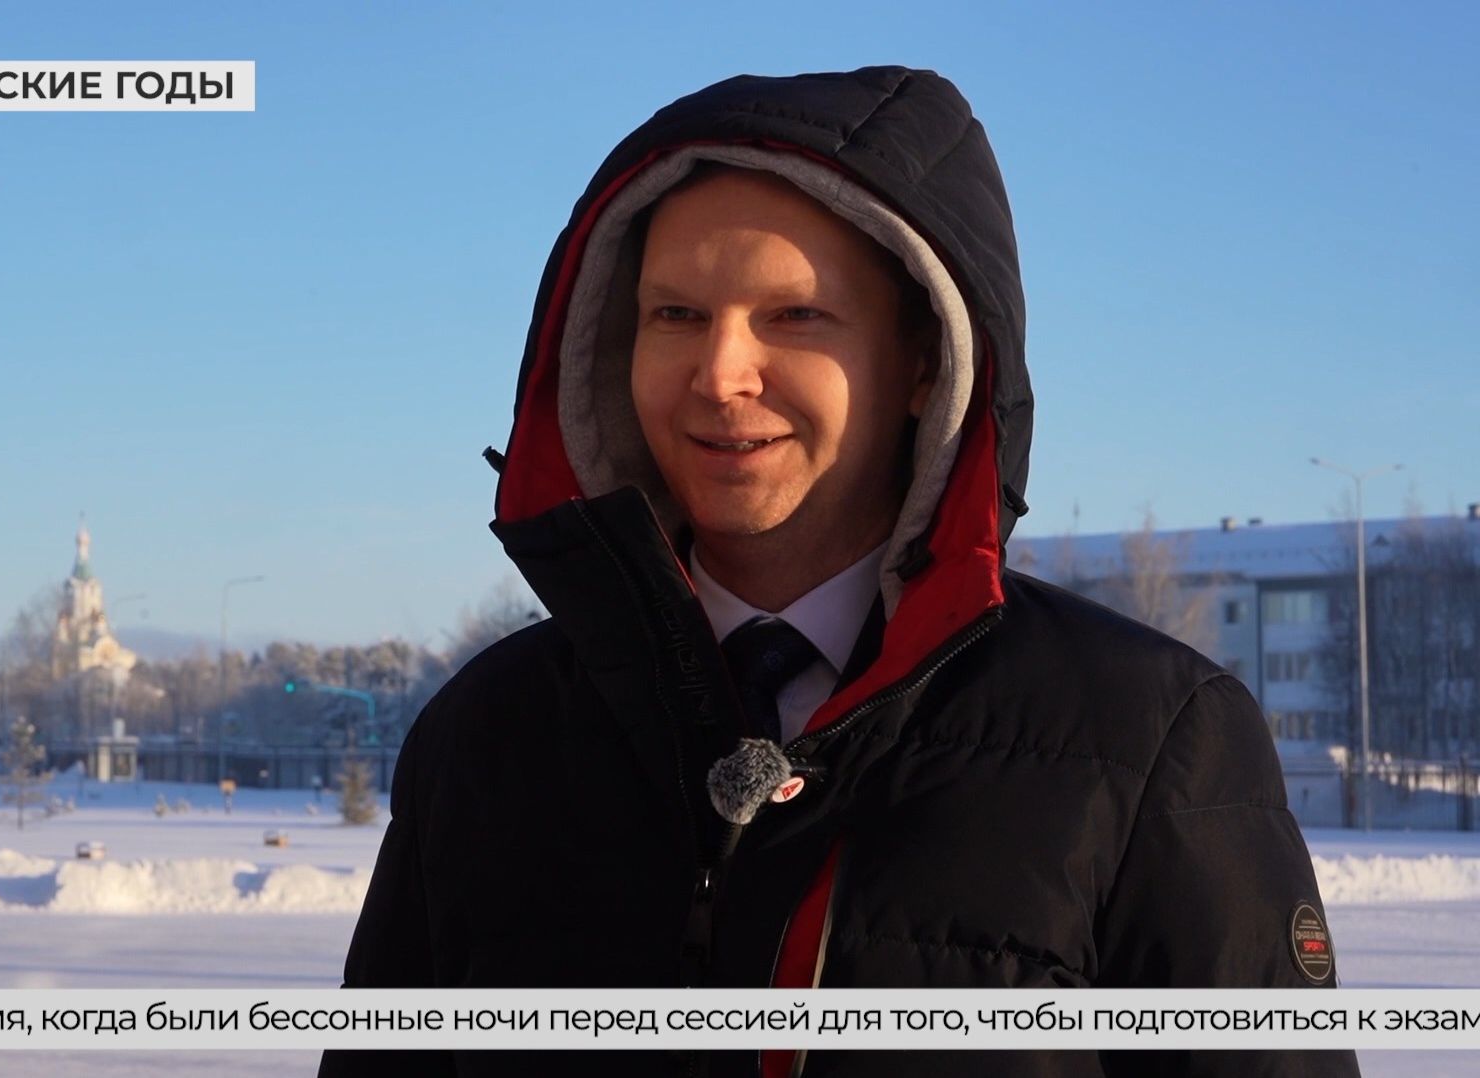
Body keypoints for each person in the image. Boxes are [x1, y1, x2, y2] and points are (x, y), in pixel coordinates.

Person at [321, 66, 1357, 1078]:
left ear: (925, 363)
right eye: (675, 315)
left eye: (795, 316)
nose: (720, 374)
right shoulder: (485, 736)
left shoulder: (1147, 741)